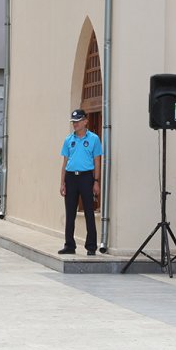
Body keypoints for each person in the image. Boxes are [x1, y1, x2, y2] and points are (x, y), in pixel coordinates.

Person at [59, 109, 102, 256]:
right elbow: (65, 163)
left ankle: (91, 246)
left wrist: (96, 181)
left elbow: (97, 161)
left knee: (89, 212)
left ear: (85, 121)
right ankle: (69, 245)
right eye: (73, 122)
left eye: (77, 121)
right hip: (71, 178)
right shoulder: (68, 140)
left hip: (86, 178)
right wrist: (62, 182)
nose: (75, 124)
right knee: (70, 213)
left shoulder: (94, 139)